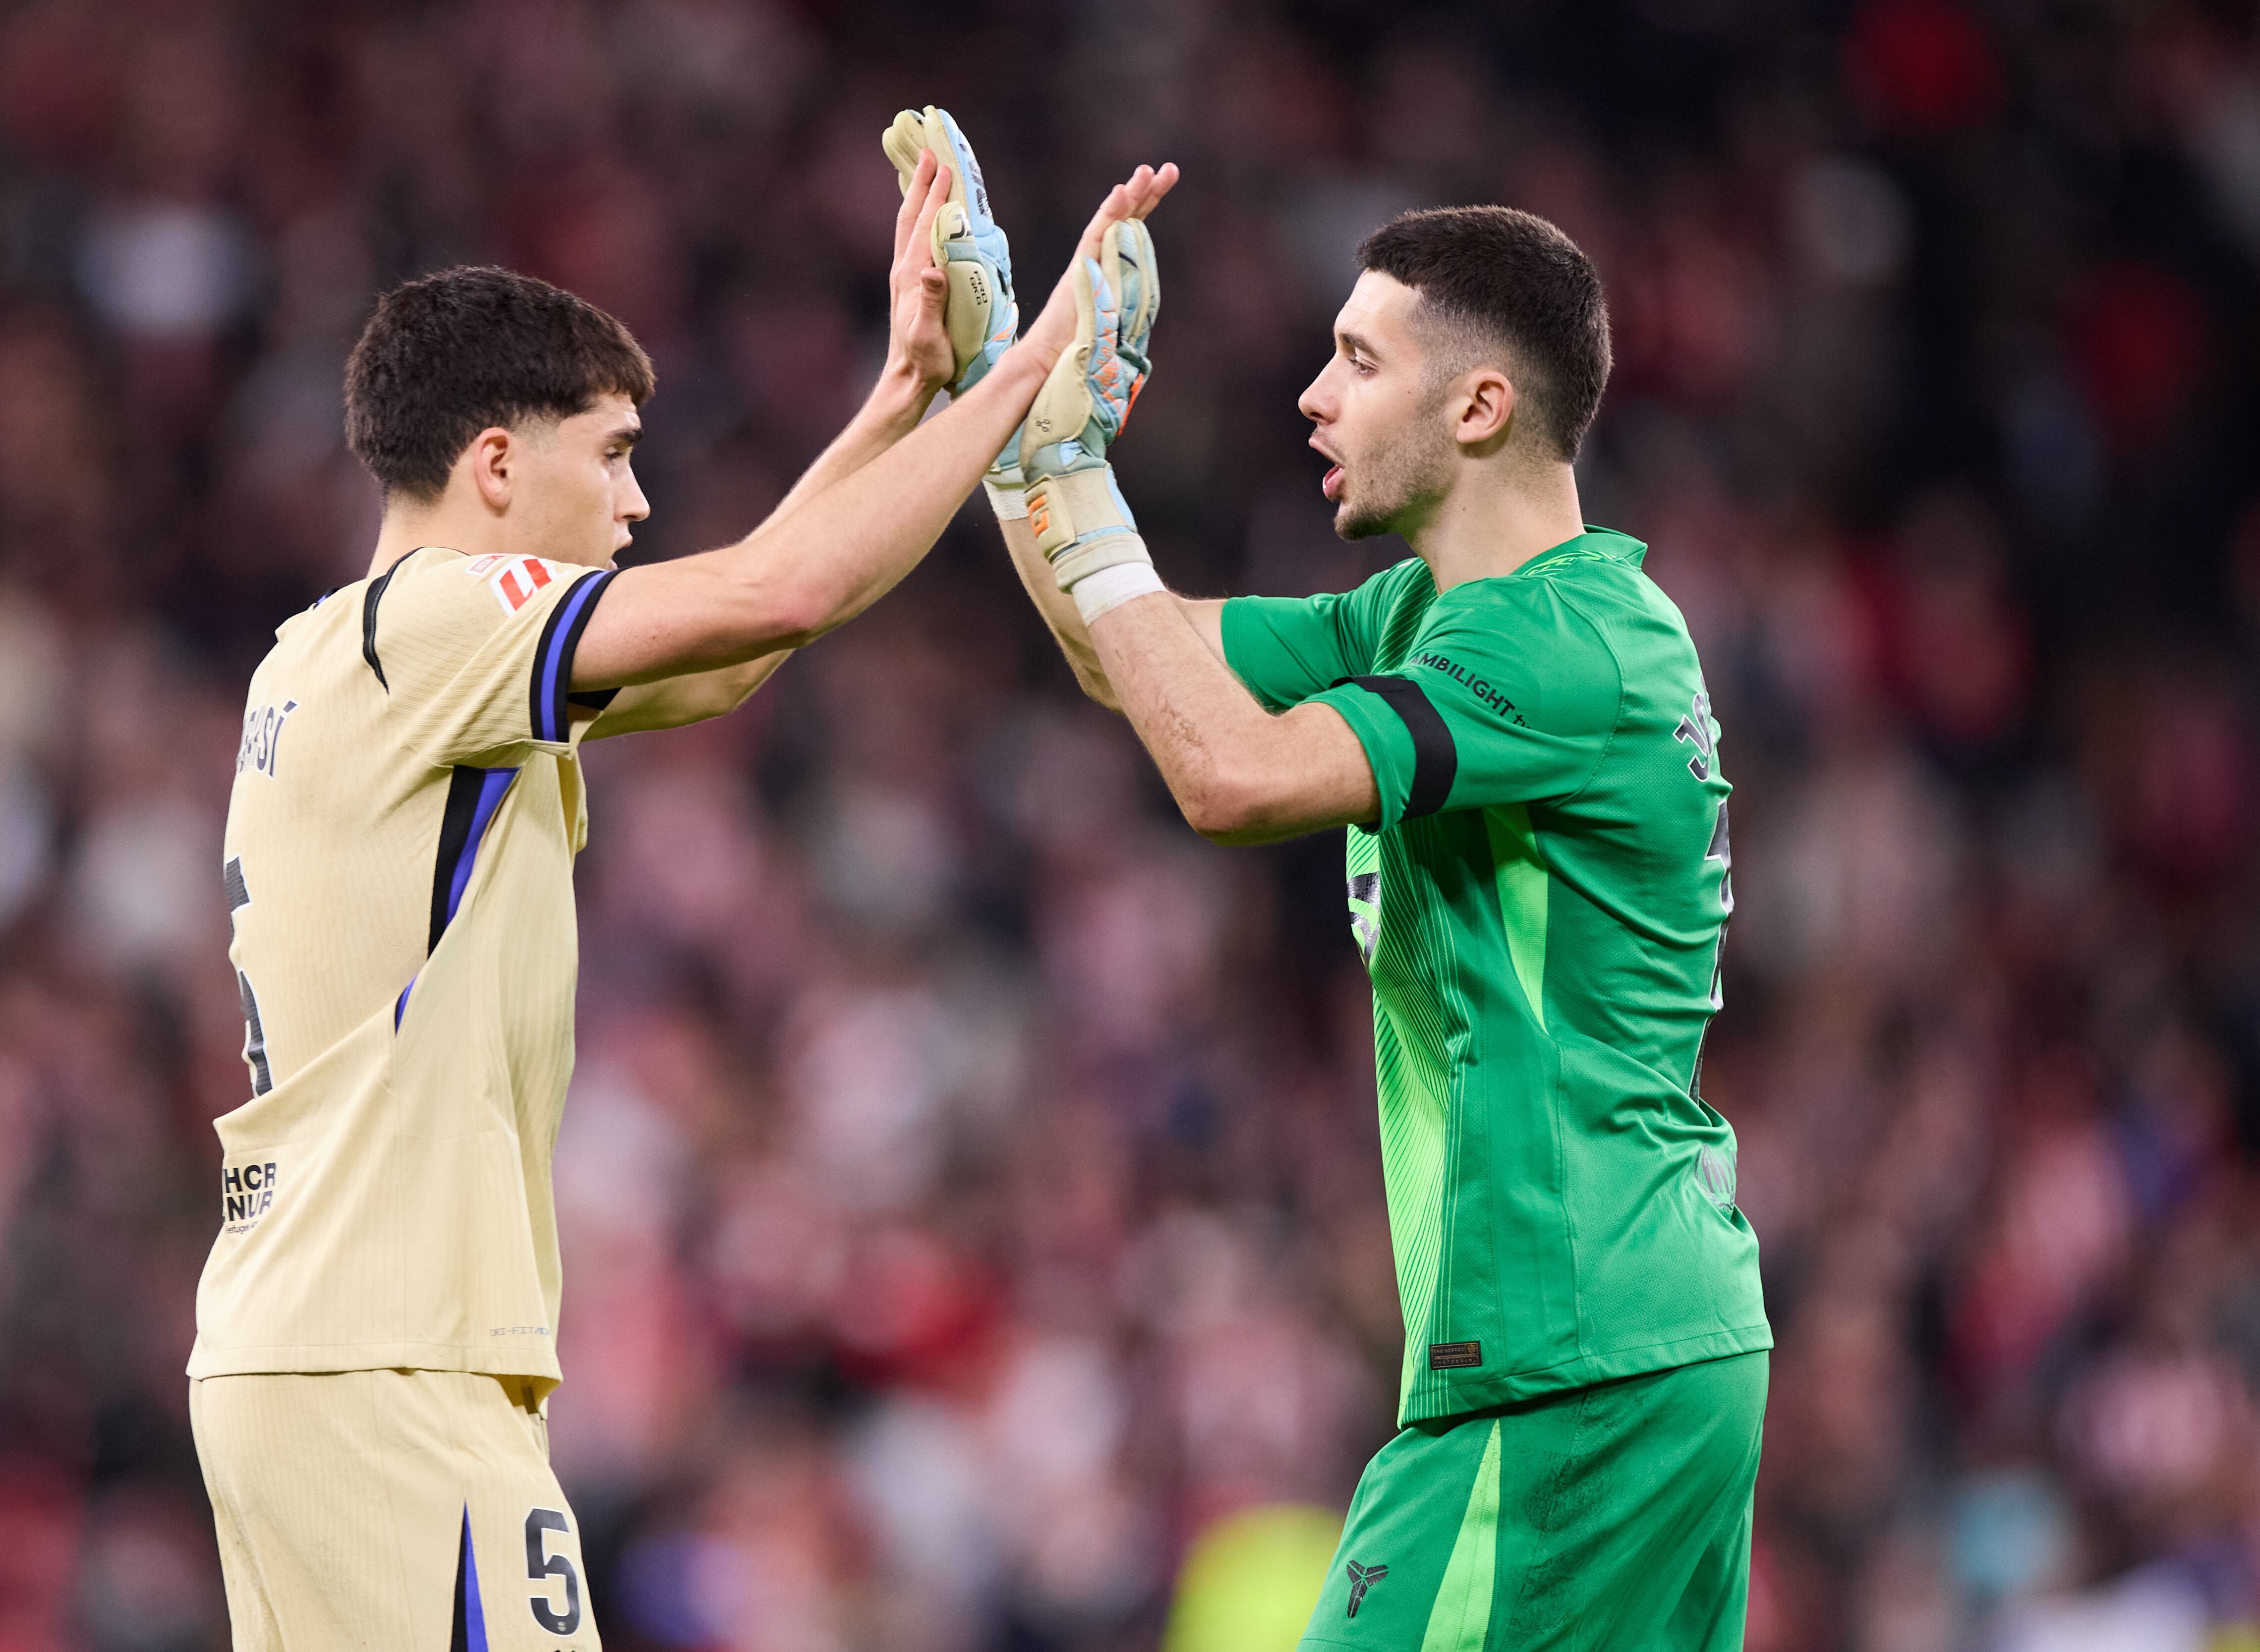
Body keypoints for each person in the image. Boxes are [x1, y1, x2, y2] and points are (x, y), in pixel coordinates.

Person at [188, 122, 1174, 1649]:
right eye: (616, 458)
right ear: (497, 466)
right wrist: (1026, 371)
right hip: (395, 1366)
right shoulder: (438, 622)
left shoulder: (340, 655)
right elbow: (775, 589)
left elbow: (740, 646)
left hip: (312, 1349)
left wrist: (907, 387)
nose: (639, 507)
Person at [986, 193, 1770, 1648]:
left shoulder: (1555, 646)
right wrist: (1019, 431)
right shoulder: (1430, 616)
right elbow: (1133, 662)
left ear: (1478, 406)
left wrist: (1079, 481)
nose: (1313, 392)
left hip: (1561, 1362)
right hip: (1638, 1340)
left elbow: (1226, 776)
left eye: (1358, 358)